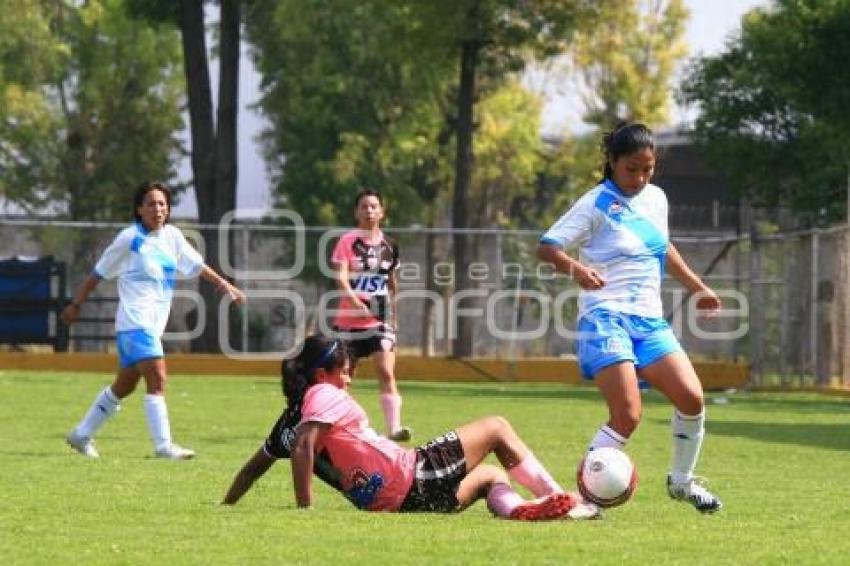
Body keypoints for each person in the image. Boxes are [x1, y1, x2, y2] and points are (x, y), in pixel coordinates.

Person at [537, 123, 723, 513]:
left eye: (647, 169)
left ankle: (682, 482)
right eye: (631, 169)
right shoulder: (594, 203)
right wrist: (577, 270)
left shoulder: (656, 199)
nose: (639, 178)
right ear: (612, 162)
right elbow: (548, 247)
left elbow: (662, 247)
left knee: (692, 400)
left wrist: (697, 287)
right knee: (628, 414)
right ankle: (587, 501)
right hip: (605, 318)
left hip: (649, 321)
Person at [223, 334, 599, 521]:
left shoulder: (288, 420)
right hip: (412, 475)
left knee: (491, 476)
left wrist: (227, 504)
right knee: (497, 426)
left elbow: (255, 466)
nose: (349, 381)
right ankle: (565, 499)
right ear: (322, 374)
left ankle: (518, 510)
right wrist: (305, 508)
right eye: (346, 373)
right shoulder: (323, 392)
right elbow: (305, 447)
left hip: (399, 503)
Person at [61, 181, 246, 460]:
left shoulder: (171, 236)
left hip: (146, 327)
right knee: (157, 378)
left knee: (124, 386)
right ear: (139, 209)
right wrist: (76, 305)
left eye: (162, 204)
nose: (158, 209)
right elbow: (97, 274)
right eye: (151, 204)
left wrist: (225, 285)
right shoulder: (129, 239)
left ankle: (81, 434)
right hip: (136, 323)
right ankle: (164, 446)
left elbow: (196, 264)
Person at [329, 188, 410, 441]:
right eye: (364, 206)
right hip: (349, 321)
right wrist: (355, 301)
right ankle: (341, 425)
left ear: (382, 212)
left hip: (380, 319)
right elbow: (340, 279)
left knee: (386, 371)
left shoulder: (390, 245)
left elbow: (390, 282)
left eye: (374, 206)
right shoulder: (347, 242)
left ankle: (394, 427)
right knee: (343, 377)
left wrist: (392, 315)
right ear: (356, 212)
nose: (369, 211)